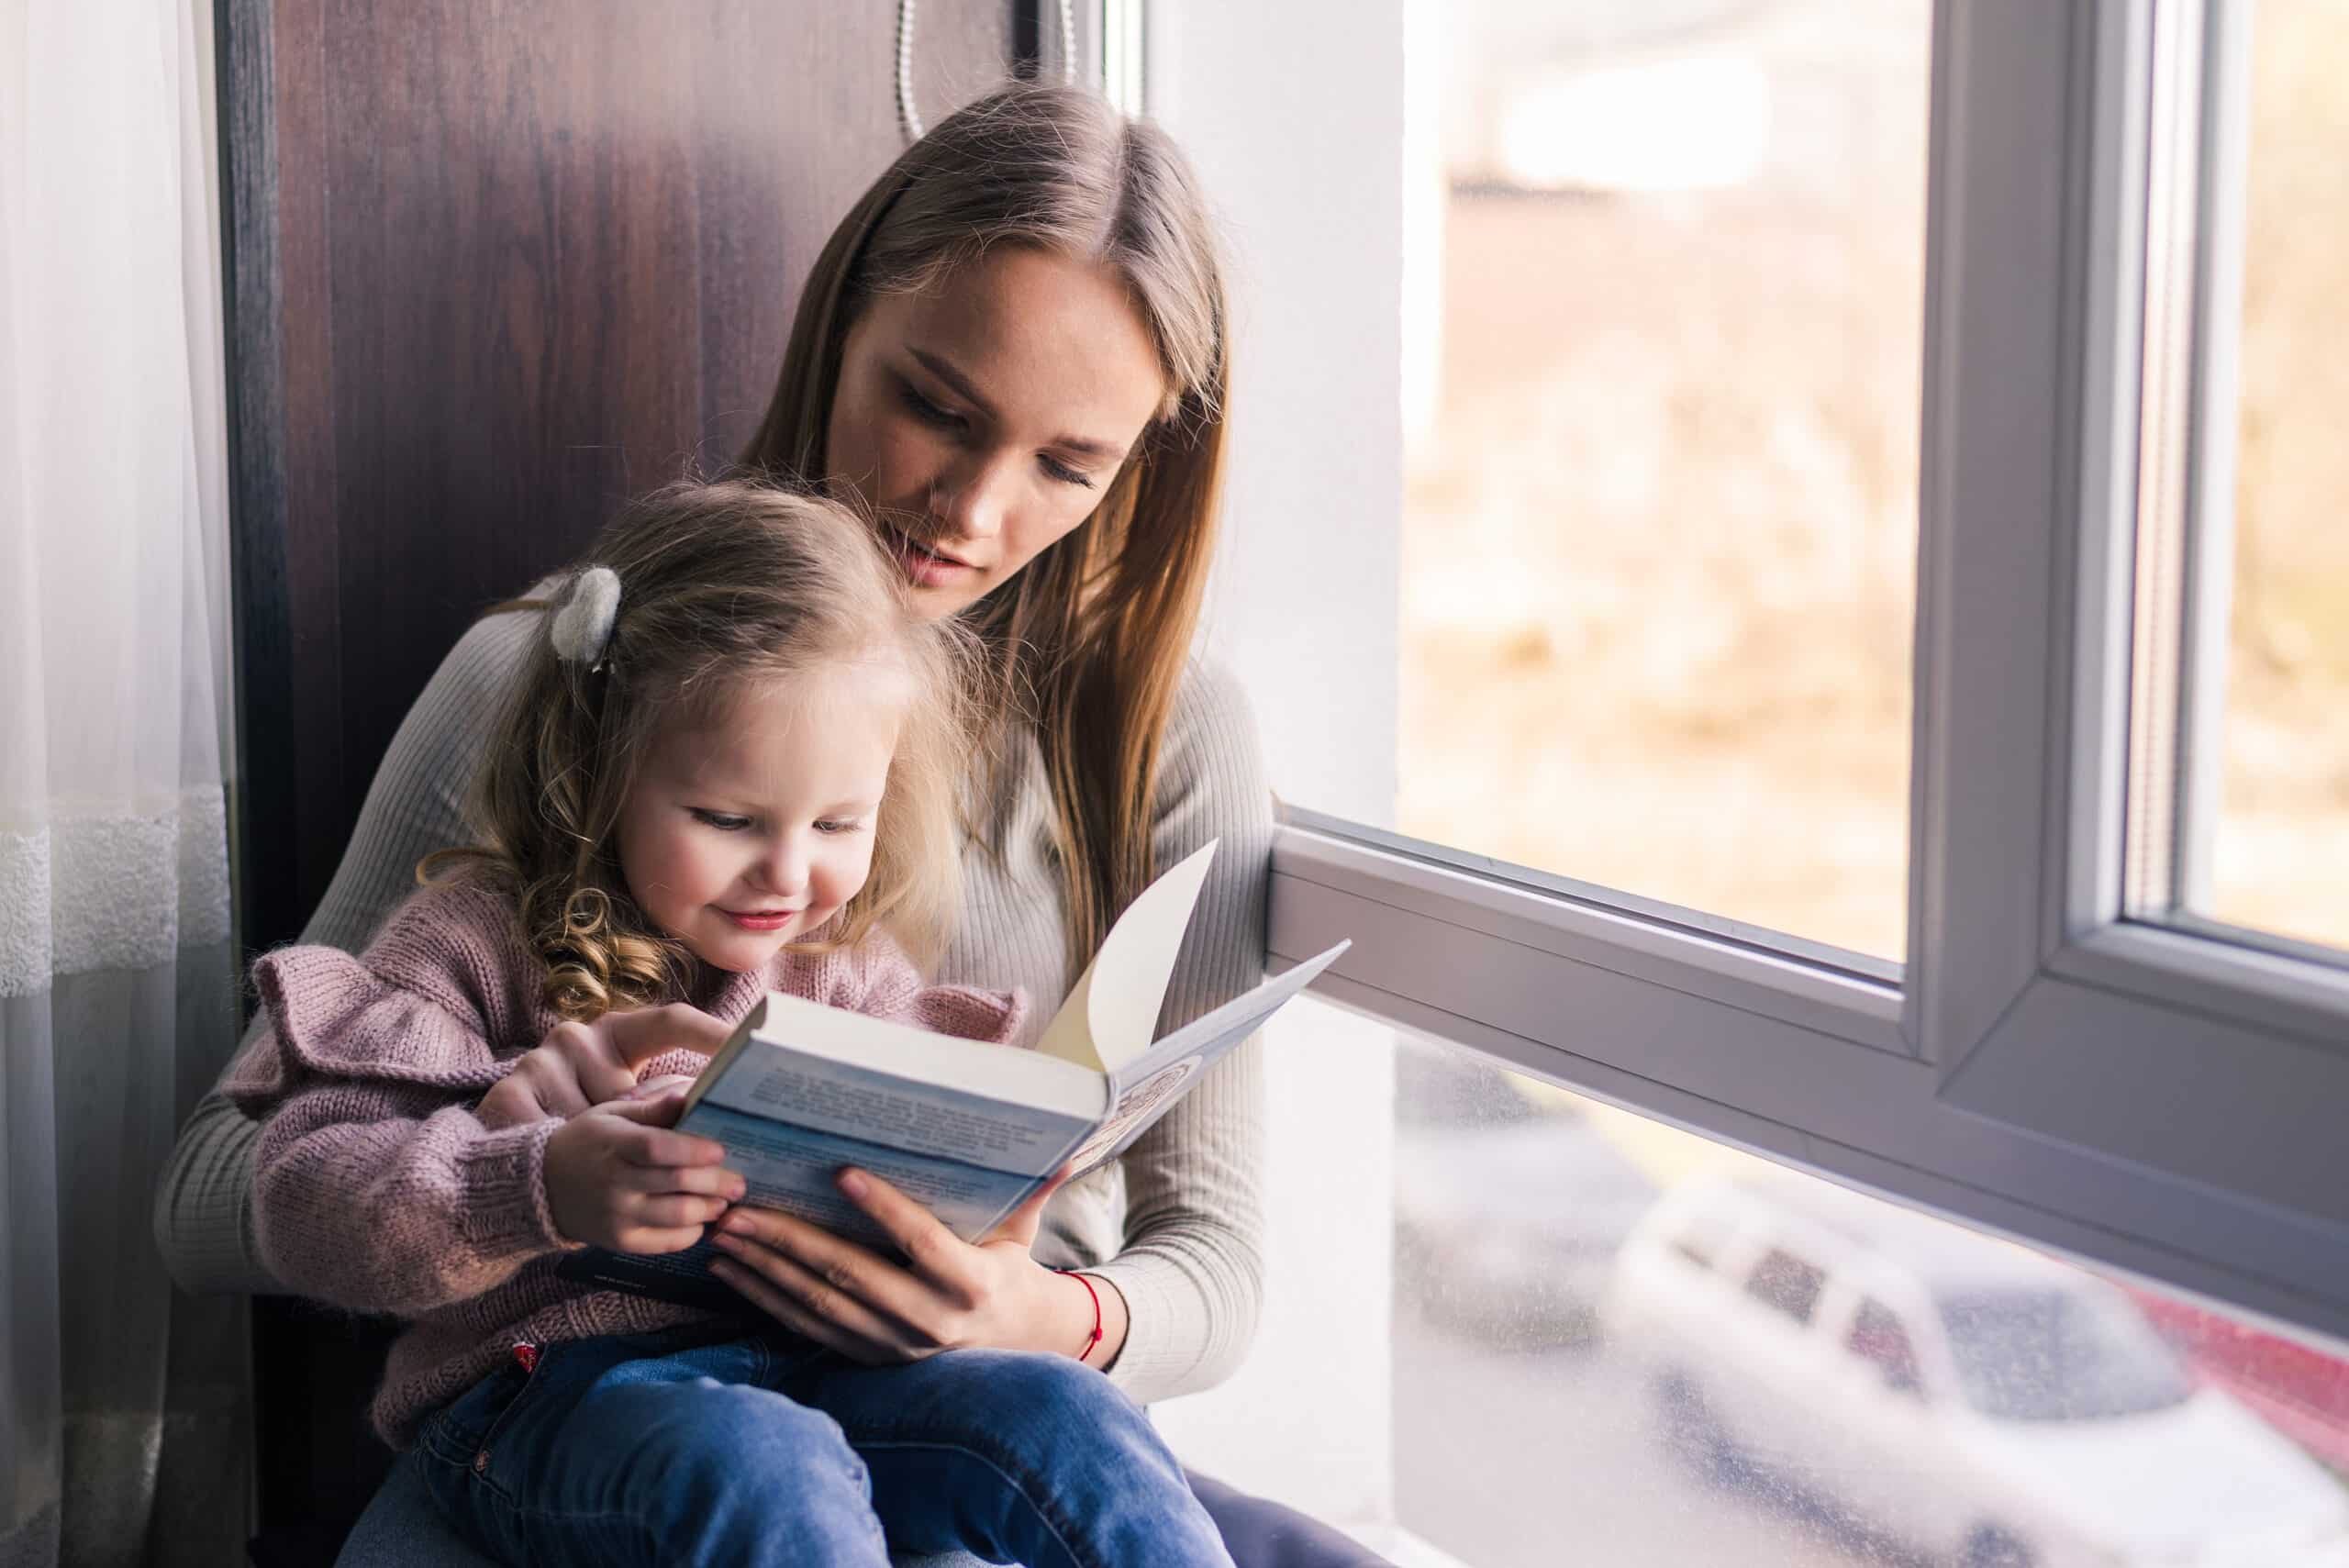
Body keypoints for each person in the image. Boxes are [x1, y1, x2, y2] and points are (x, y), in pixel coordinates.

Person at [153, 79, 1272, 1562]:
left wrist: (1045, 1299)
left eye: (1070, 464)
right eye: (935, 403)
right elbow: (213, 1188)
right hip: (603, 1399)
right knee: (754, 1470)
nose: (973, 508)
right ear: (838, 325)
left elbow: (1219, 1254)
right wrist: (527, 1142)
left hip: (962, 1406)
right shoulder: (561, 676)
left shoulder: (1164, 730)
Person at [222, 480, 1233, 1567]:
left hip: (825, 1375)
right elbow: (304, 1198)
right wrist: (534, 1181)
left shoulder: (853, 977)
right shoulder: (469, 944)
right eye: (728, 818)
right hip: (543, 1397)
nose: (789, 872)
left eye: (840, 820)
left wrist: (974, 1230)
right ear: (596, 767)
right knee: (757, 1458)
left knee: (1068, 1419)